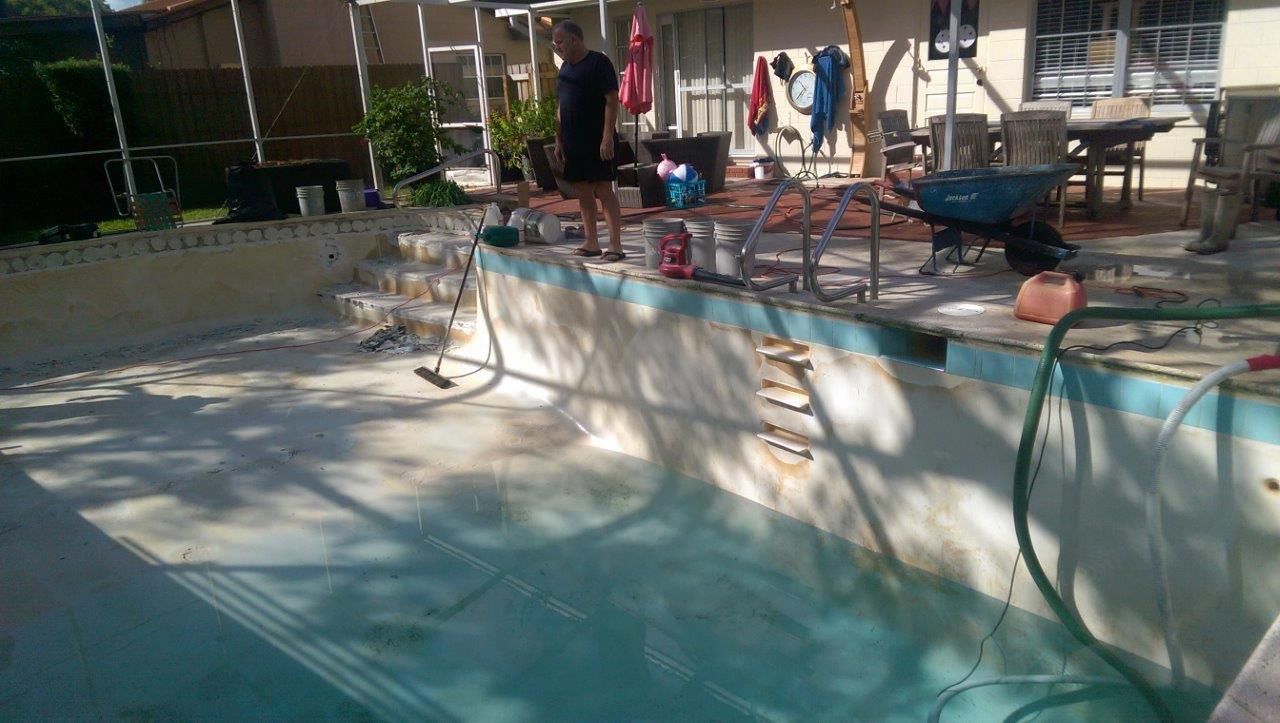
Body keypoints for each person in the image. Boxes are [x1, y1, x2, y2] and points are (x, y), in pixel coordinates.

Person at [551, 20, 626, 262]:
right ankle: (592, 242)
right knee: (582, 189)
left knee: (603, 188)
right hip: (573, 141)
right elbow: (561, 107)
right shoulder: (564, 69)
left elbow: (612, 100)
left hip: (597, 139)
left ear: (574, 39)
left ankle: (615, 246)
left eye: (560, 41)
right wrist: (558, 139)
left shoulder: (598, 63)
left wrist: (607, 136)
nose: (557, 46)